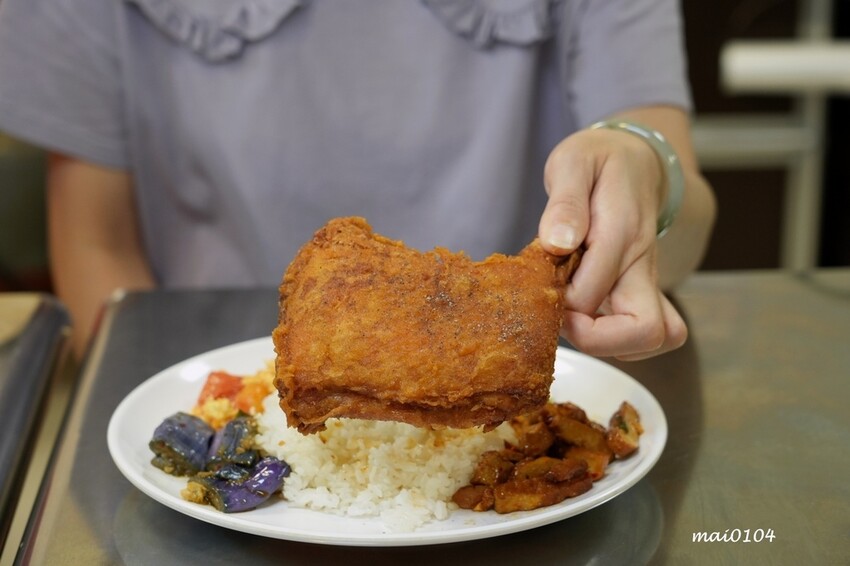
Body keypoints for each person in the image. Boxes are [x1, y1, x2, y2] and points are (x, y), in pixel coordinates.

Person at [0, 0, 716, 361]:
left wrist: (645, 167)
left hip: (539, 393)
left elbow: (685, 220)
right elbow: (96, 243)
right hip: (220, 395)